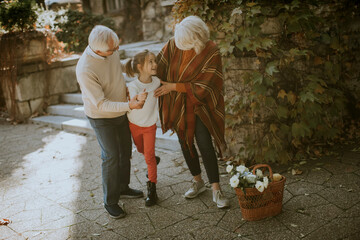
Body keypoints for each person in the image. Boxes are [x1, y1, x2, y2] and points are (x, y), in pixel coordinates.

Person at [154, 16, 230, 208]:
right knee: (185, 143)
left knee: (204, 144)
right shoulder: (174, 44)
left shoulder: (211, 51)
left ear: (196, 39)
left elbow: (205, 85)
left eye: (186, 45)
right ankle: (198, 181)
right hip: (177, 106)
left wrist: (174, 87)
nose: (181, 48)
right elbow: (157, 66)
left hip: (201, 106)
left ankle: (216, 189)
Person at [76, 25, 147, 219]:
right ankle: (110, 201)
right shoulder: (85, 69)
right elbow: (100, 104)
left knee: (125, 151)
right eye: (112, 50)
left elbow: (117, 66)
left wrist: (134, 65)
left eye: (116, 47)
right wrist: (129, 106)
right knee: (111, 156)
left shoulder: (111, 48)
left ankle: (123, 187)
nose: (116, 51)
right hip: (101, 117)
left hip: (121, 110)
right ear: (97, 49)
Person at [124, 50, 161, 207]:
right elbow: (133, 99)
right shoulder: (133, 85)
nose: (155, 64)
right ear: (140, 66)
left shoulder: (158, 82)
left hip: (150, 126)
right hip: (134, 124)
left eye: (155, 61)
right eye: (150, 62)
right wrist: (139, 98)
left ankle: (152, 190)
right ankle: (152, 158)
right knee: (141, 150)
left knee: (149, 157)